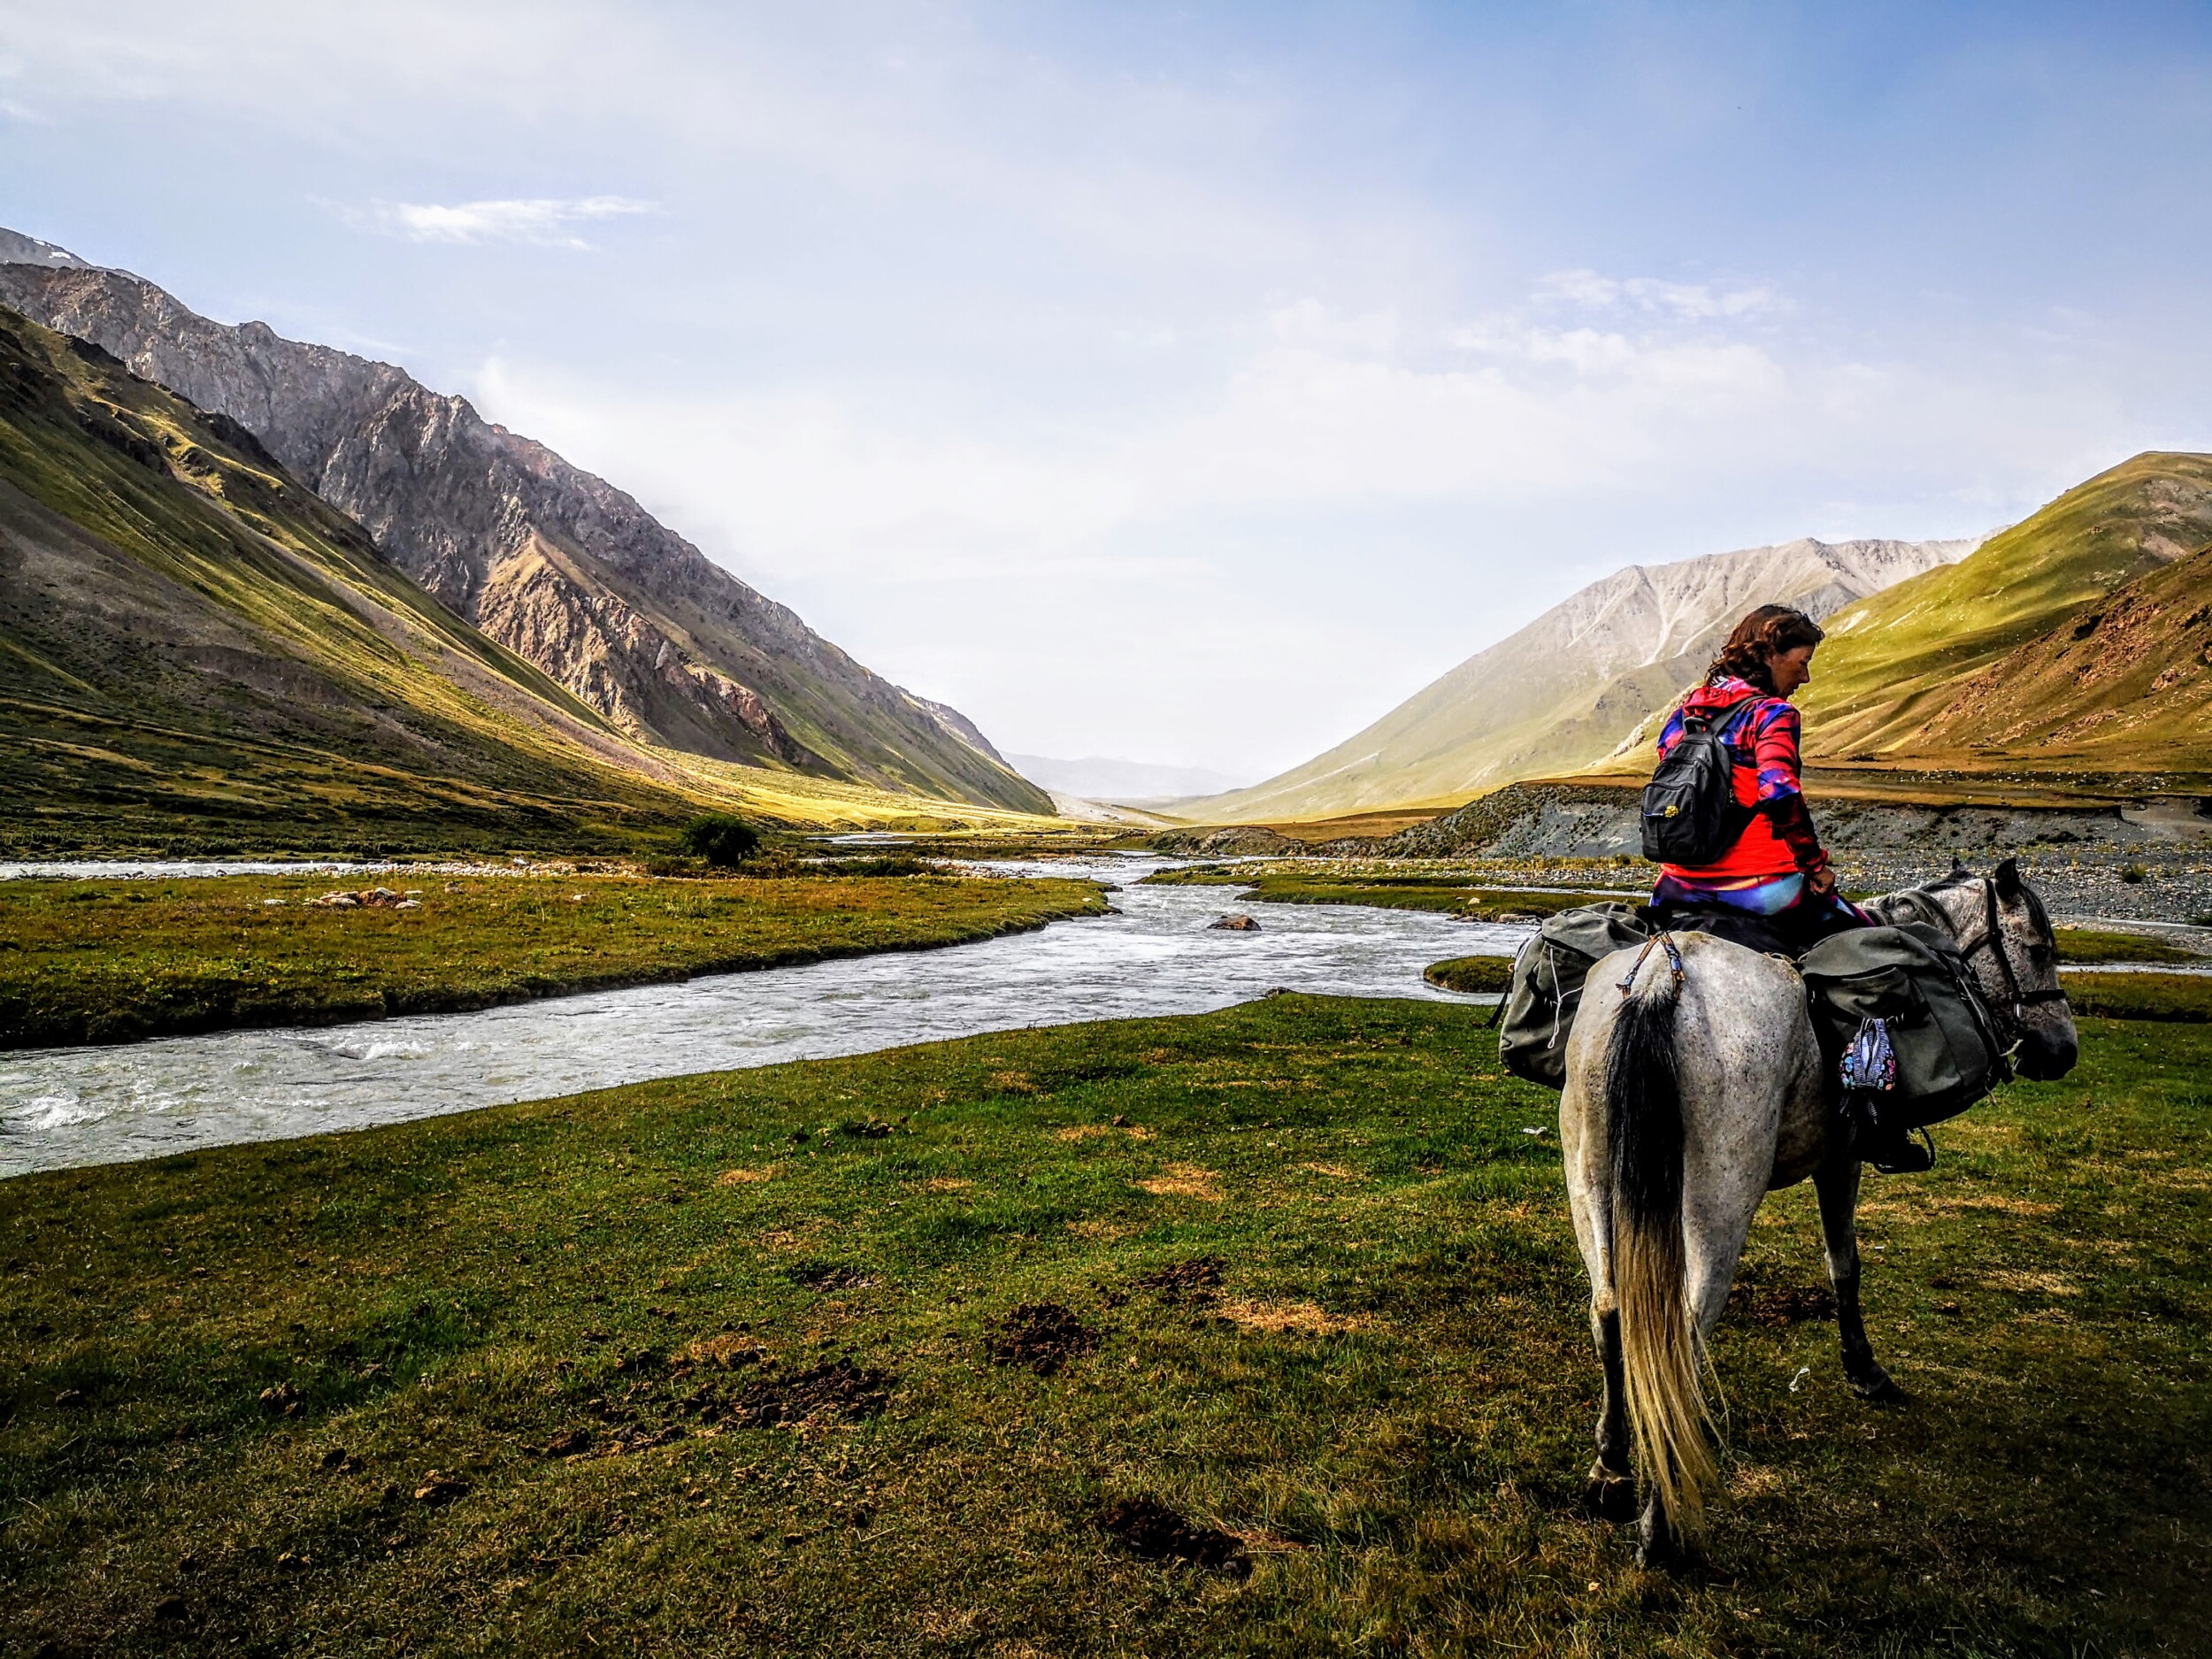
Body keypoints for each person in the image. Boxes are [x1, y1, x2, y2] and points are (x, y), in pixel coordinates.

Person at [1647, 604, 1870, 958]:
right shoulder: (1771, 714)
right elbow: (1780, 793)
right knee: (1872, 944)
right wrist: (1815, 865)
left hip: (1674, 887)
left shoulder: (1687, 712)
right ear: (1768, 655)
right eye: (1802, 662)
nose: (1805, 678)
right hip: (1760, 888)